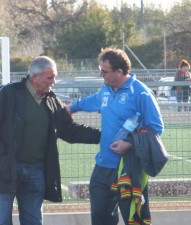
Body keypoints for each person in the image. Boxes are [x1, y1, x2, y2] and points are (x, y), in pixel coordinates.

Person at [0, 56, 100, 225]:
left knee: (34, 221)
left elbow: (70, 131)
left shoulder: (52, 101)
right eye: (50, 77)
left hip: (36, 171)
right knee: (0, 221)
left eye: (55, 77)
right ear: (35, 77)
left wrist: (104, 136)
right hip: (4, 169)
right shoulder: (8, 93)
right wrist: (1, 156)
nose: (54, 82)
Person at [66, 48, 164, 225]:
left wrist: (129, 143)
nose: (100, 74)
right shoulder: (106, 88)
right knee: (100, 219)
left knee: (134, 219)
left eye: (104, 71)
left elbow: (156, 127)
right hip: (103, 166)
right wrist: (71, 108)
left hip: (128, 167)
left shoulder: (140, 93)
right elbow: (95, 100)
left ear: (119, 72)